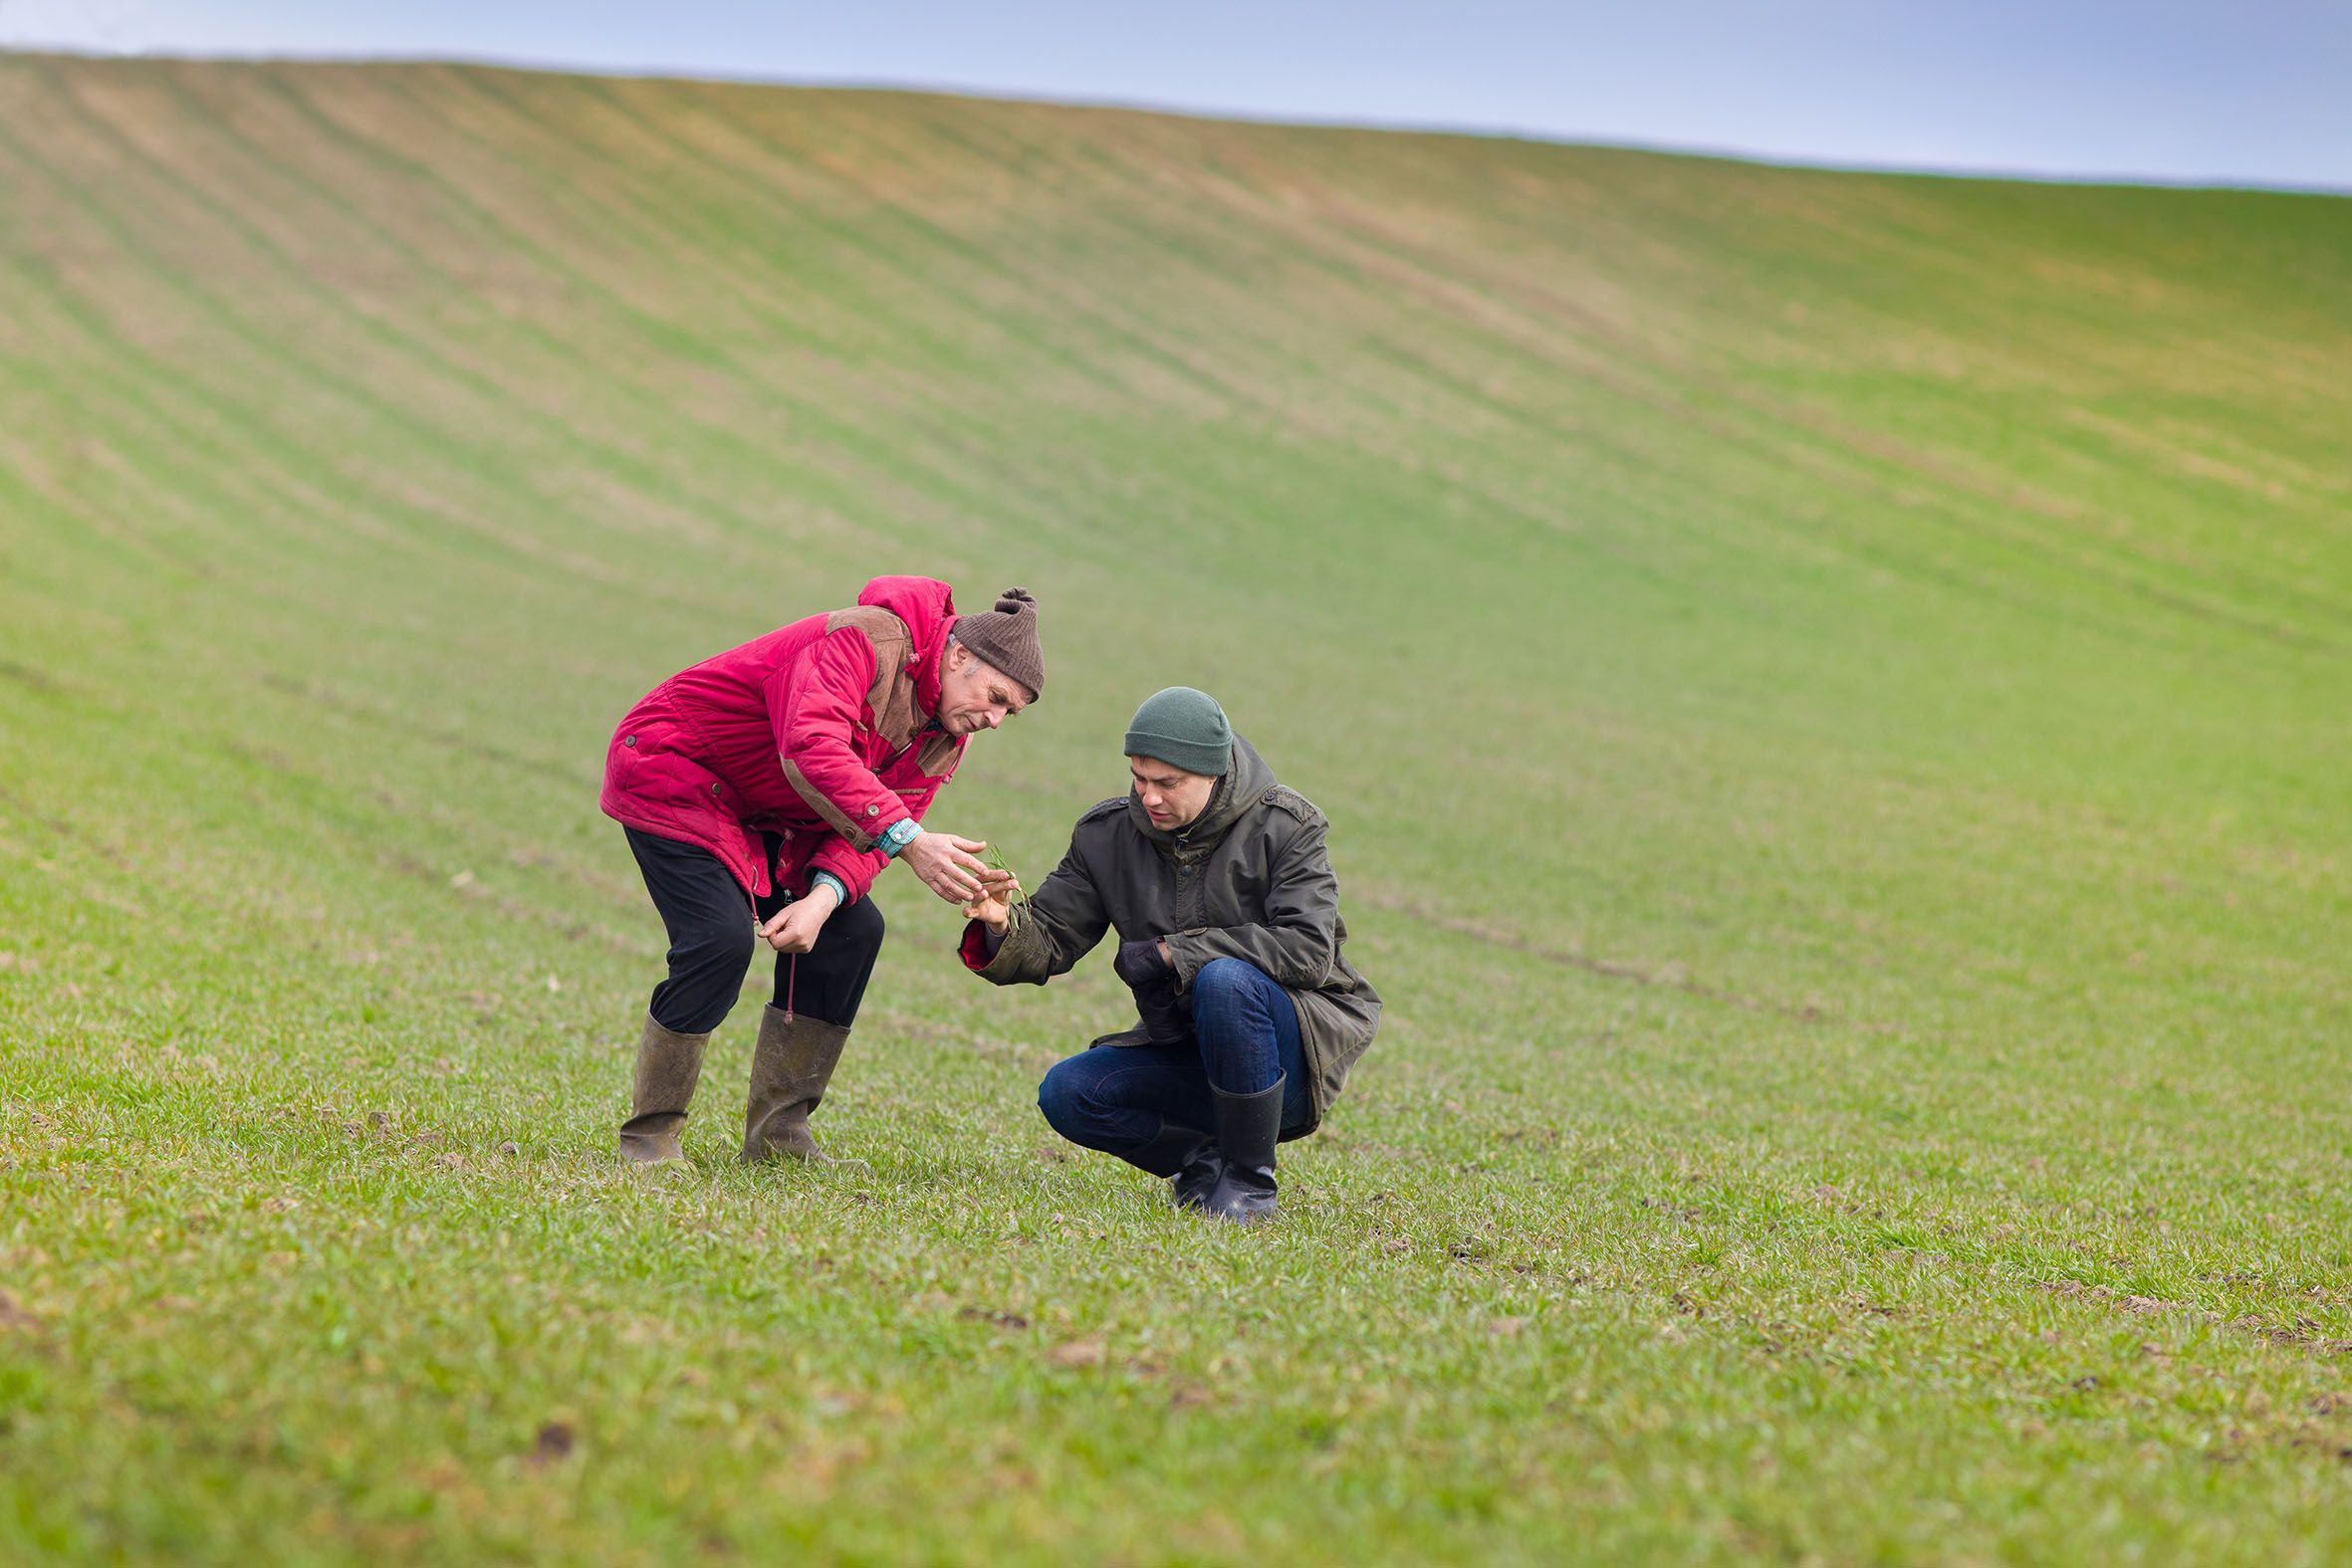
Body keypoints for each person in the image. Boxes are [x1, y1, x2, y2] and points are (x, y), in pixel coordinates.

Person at [599, 576, 1040, 1165]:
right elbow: (811, 745)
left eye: (1010, 711)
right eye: (995, 696)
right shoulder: (860, 640)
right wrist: (908, 839)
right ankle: (649, 1137)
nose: (995, 720)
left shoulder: (944, 734)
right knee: (720, 940)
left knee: (854, 931)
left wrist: (823, 899)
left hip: (775, 815)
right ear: (959, 654)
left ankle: (778, 1138)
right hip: (674, 770)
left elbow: (876, 826)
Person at [958, 687, 1378, 1223]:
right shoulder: (1106, 835)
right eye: (1139, 778)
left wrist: (1172, 954)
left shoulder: (1288, 828)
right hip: (1194, 1054)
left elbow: (1309, 949)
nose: (1148, 797)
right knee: (1069, 1093)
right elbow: (1051, 938)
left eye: (1167, 784)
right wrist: (1001, 924)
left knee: (1225, 980)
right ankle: (1201, 1164)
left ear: (1214, 773)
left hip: (1288, 1065)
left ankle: (1250, 1184)